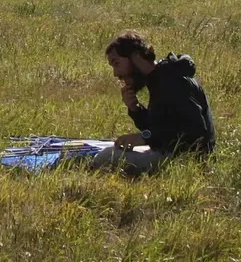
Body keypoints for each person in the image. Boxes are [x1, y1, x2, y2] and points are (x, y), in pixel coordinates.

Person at [88, 30, 215, 175]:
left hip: (184, 162)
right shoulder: (159, 78)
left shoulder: (172, 81)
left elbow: (195, 133)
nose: (116, 74)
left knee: (105, 156)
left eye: (117, 63)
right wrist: (135, 109)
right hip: (170, 153)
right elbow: (160, 127)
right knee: (114, 147)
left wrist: (145, 138)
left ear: (136, 57)